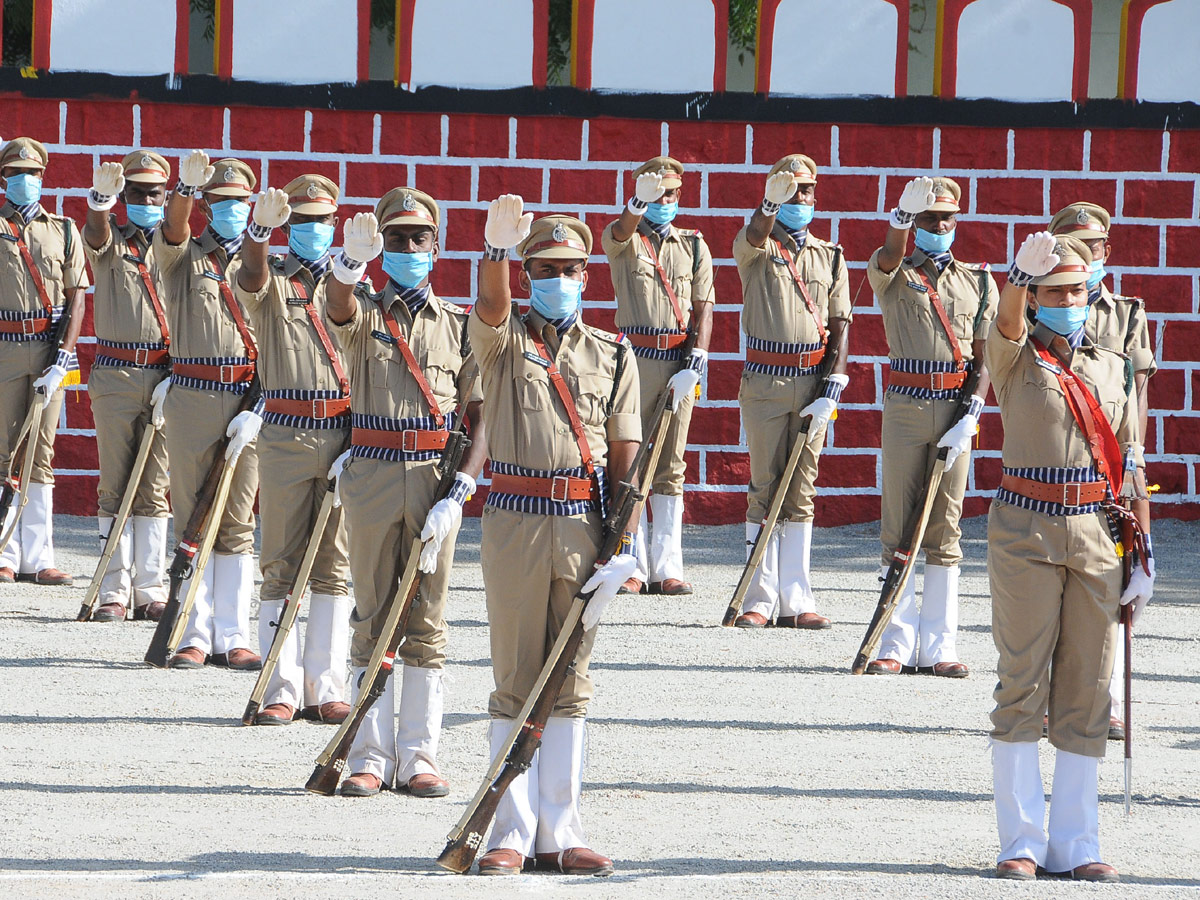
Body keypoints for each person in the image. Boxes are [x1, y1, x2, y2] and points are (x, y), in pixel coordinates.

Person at [468, 196, 640, 876]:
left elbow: (625, 450)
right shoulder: (506, 341)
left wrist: (621, 541)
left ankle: (559, 832)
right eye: (544, 268)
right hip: (515, 516)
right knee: (515, 677)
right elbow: (487, 312)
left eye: (569, 268)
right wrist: (496, 257)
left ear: (586, 275)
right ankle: (508, 831)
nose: (557, 278)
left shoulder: (611, 352)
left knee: (571, 678)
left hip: (581, 524)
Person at [986, 232, 1154, 883]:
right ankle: (1021, 840)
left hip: (1096, 531)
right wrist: (1015, 279)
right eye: (1053, 292)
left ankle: (1078, 841)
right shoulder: (1013, 355)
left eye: (1077, 291)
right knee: (1022, 682)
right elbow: (1002, 322)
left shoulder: (1113, 366)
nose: (1068, 301)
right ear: (1035, 299)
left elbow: (1130, 465)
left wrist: (1142, 549)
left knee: (1087, 687)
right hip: (1025, 528)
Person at [323, 187, 486, 797]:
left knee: (426, 615)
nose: (409, 249)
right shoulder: (364, 309)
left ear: (437, 247)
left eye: (419, 239)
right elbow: (336, 308)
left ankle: (419, 755)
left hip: (433, 479)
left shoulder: (458, 324)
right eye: (397, 240)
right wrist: (349, 261)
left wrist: (464, 483)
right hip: (370, 470)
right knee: (370, 611)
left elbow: (481, 410)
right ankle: (368, 754)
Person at [231, 175, 353, 724]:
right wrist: (259, 232)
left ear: (335, 223)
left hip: (344, 434)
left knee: (334, 564)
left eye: (320, 221)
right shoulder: (273, 280)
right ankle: (280, 684)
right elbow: (250, 276)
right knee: (280, 561)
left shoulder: (351, 283)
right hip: (285, 430)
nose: (312, 230)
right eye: (300, 221)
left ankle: (325, 684)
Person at [864, 176, 998, 677]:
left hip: (956, 406)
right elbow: (885, 258)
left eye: (946, 218)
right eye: (929, 218)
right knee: (898, 521)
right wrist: (900, 216)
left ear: (957, 221)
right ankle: (894, 640)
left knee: (946, 526)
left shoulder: (979, 281)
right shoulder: (896, 271)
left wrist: (974, 410)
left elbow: (986, 356)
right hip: (907, 404)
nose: (939, 226)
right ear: (916, 224)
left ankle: (940, 644)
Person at [1049, 201, 1155, 739]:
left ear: (1106, 251)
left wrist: (1133, 455)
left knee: (1113, 579)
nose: (1083, 257)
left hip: (1116, 463)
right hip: (1062, 461)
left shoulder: (1128, 313)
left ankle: (1102, 696)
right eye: (1071, 246)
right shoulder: (1047, 303)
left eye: (1091, 247)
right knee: (1055, 588)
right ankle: (1053, 701)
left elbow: (1138, 389)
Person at [732, 154, 850, 629]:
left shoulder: (831, 255)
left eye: (807, 190)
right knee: (764, 486)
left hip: (812, 380)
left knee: (803, 489)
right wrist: (768, 206)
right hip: (765, 377)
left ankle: (797, 595)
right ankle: (758, 596)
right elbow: (753, 238)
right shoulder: (757, 245)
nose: (802, 198)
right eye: (791, 190)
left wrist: (835, 381)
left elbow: (841, 321)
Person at [155, 151, 261, 670]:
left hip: (248, 397)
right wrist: (185, 193)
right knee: (190, 512)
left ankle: (233, 633)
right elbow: (172, 229)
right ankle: (192, 631)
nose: (230, 209)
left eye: (238, 201)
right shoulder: (183, 256)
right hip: (194, 393)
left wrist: (261, 407)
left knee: (238, 519)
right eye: (219, 201)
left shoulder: (266, 264)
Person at [601, 156, 714, 596]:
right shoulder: (625, 239)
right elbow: (620, 232)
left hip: (678, 361)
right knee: (631, 462)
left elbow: (704, 305)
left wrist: (697, 359)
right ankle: (631, 562)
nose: (664, 202)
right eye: (656, 194)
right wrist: (637, 203)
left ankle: (668, 566)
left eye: (671, 194)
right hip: (636, 359)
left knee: (670, 465)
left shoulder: (694, 245)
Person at [82, 151, 173, 621]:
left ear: (165, 196)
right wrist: (100, 201)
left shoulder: (179, 247)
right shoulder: (111, 240)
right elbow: (94, 234)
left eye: (152, 192)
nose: (145, 200)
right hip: (116, 371)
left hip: (167, 375)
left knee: (155, 486)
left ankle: (150, 588)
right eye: (135, 193)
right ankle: (113, 589)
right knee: (115, 483)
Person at [0, 137, 87, 586]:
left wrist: (64, 356)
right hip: (4, 346)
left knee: (43, 451)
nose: (25, 181)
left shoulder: (65, 231)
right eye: (16, 174)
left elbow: (76, 300)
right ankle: (5, 551)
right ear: (4, 179)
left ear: (43, 177)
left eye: (32, 174)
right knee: (5, 449)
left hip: (51, 349)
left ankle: (40, 556)